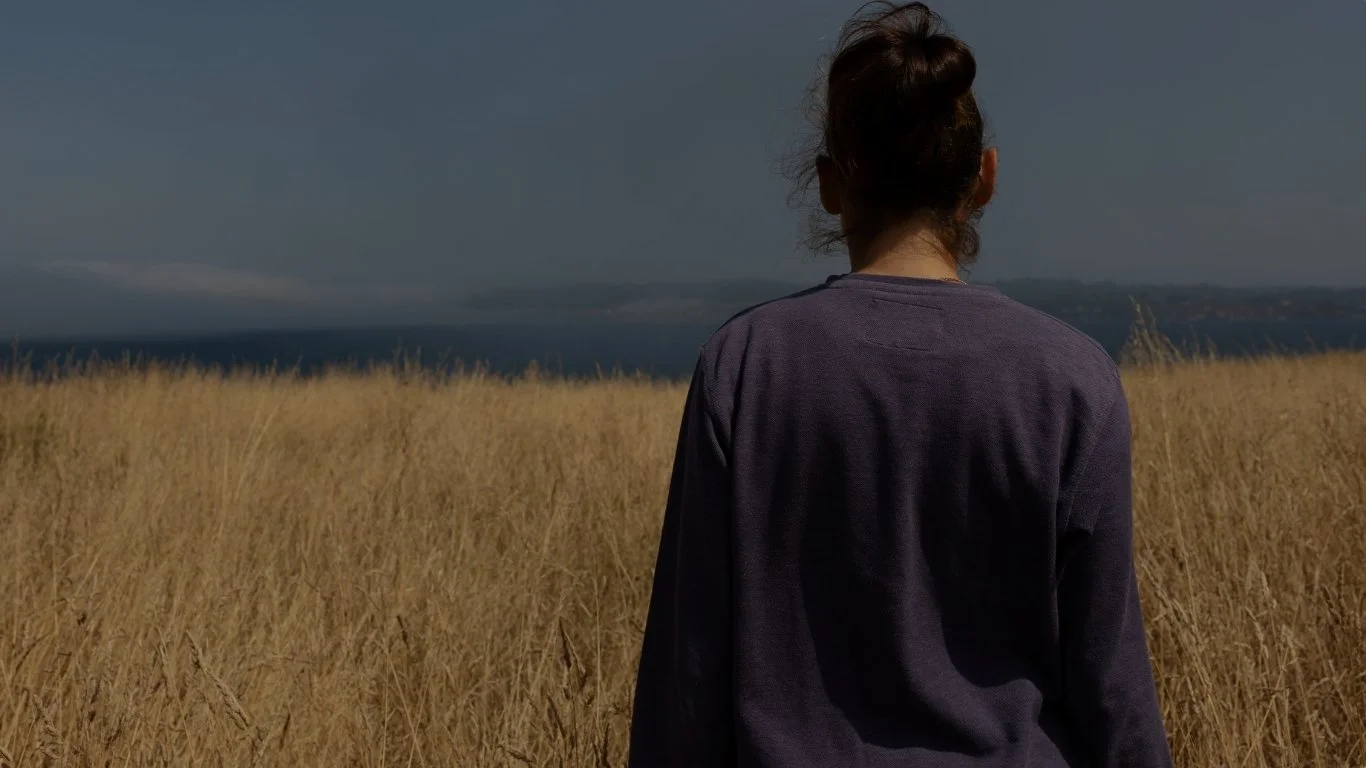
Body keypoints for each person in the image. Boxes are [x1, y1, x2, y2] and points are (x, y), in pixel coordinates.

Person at [627, 2, 1173, 766]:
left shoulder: (744, 364)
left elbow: (687, 676)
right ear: (984, 177)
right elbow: (1111, 682)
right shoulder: (1073, 380)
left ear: (830, 183)